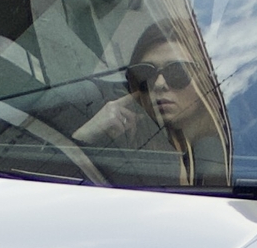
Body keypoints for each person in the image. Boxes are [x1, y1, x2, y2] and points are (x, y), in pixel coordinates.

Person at [72, 21, 227, 184]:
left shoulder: (239, 149)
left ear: (205, 81)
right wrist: (86, 136)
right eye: (145, 72)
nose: (159, 84)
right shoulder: (122, 146)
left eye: (177, 71)